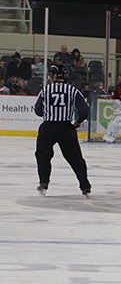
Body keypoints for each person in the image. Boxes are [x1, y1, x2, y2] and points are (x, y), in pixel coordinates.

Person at [33, 65, 91, 198]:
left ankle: (44, 182)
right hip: (66, 128)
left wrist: (48, 113)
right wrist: (78, 121)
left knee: (43, 155)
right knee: (75, 159)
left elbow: (37, 110)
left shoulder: (45, 90)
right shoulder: (72, 90)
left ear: (53, 76)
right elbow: (84, 110)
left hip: (48, 127)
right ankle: (85, 186)